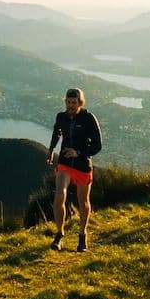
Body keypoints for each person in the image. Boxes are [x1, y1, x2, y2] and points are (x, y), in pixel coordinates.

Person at [47, 87, 102, 252]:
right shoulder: (61, 117)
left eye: (74, 103)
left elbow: (97, 145)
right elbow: (56, 133)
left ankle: (82, 235)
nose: (70, 105)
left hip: (82, 165)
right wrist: (50, 151)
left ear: (80, 103)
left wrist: (78, 152)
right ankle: (59, 234)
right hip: (64, 163)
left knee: (83, 202)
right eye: (68, 102)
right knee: (59, 195)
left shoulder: (88, 118)